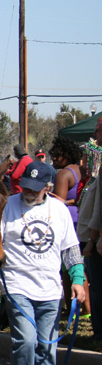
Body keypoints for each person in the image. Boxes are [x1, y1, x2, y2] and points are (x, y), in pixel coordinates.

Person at [0, 161, 85, 365]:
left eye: (36, 189)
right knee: (26, 341)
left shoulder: (59, 210)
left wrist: (78, 280)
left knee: (46, 348)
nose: (29, 192)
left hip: (49, 289)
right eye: (26, 186)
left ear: (48, 188)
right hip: (16, 285)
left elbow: (70, 250)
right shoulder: (8, 206)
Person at [77, 118, 102, 342]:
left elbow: (99, 211)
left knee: (98, 288)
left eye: (97, 131)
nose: (94, 135)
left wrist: (92, 241)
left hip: (97, 240)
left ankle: (99, 335)